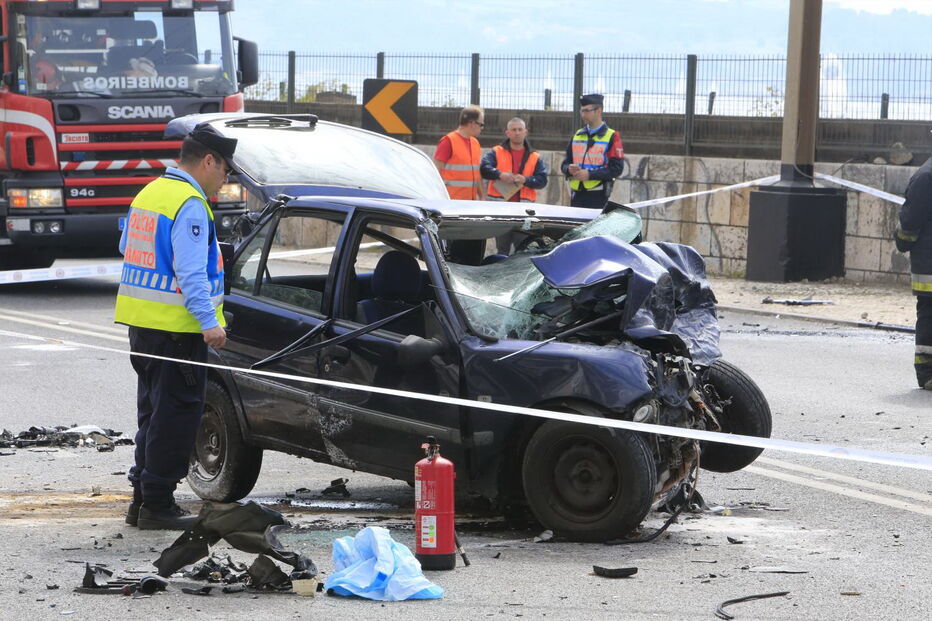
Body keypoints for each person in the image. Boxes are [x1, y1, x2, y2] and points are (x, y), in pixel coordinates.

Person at [114, 123, 235, 529]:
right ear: (208, 160)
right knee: (177, 416)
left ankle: (142, 498)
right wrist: (209, 322)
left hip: (142, 326)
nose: (225, 178)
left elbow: (125, 247)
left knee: (152, 413)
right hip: (177, 331)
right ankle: (158, 505)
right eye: (225, 170)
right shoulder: (190, 202)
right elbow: (190, 271)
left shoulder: (151, 193)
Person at [480, 117, 548, 253]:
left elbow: (542, 180)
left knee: (522, 249)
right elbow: (484, 169)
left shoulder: (535, 156)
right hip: (502, 210)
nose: (517, 132)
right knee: (502, 249)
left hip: (524, 212)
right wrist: (500, 174)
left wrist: (526, 180)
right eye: (513, 130)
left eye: (520, 129)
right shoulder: (496, 151)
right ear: (507, 133)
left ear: (525, 132)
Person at [895, 155, 932, 390]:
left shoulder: (925, 176)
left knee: (929, 316)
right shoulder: (926, 176)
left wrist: (901, 240)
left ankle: (927, 373)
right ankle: (928, 373)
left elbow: (909, 222)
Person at [560, 93, 625, 209]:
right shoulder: (577, 135)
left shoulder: (612, 136)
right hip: (576, 195)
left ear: (599, 111)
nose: (583, 114)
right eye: (582, 111)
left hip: (598, 196)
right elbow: (564, 164)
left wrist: (590, 175)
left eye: (587, 111)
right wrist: (568, 169)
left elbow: (617, 169)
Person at [434, 105, 485, 200]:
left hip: (470, 202)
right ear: (472, 123)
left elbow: (477, 174)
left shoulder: (475, 143)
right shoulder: (448, 141)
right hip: (451, 201)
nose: (482, 128)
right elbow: (436, 172)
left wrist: (482, 196)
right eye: (481, 124)